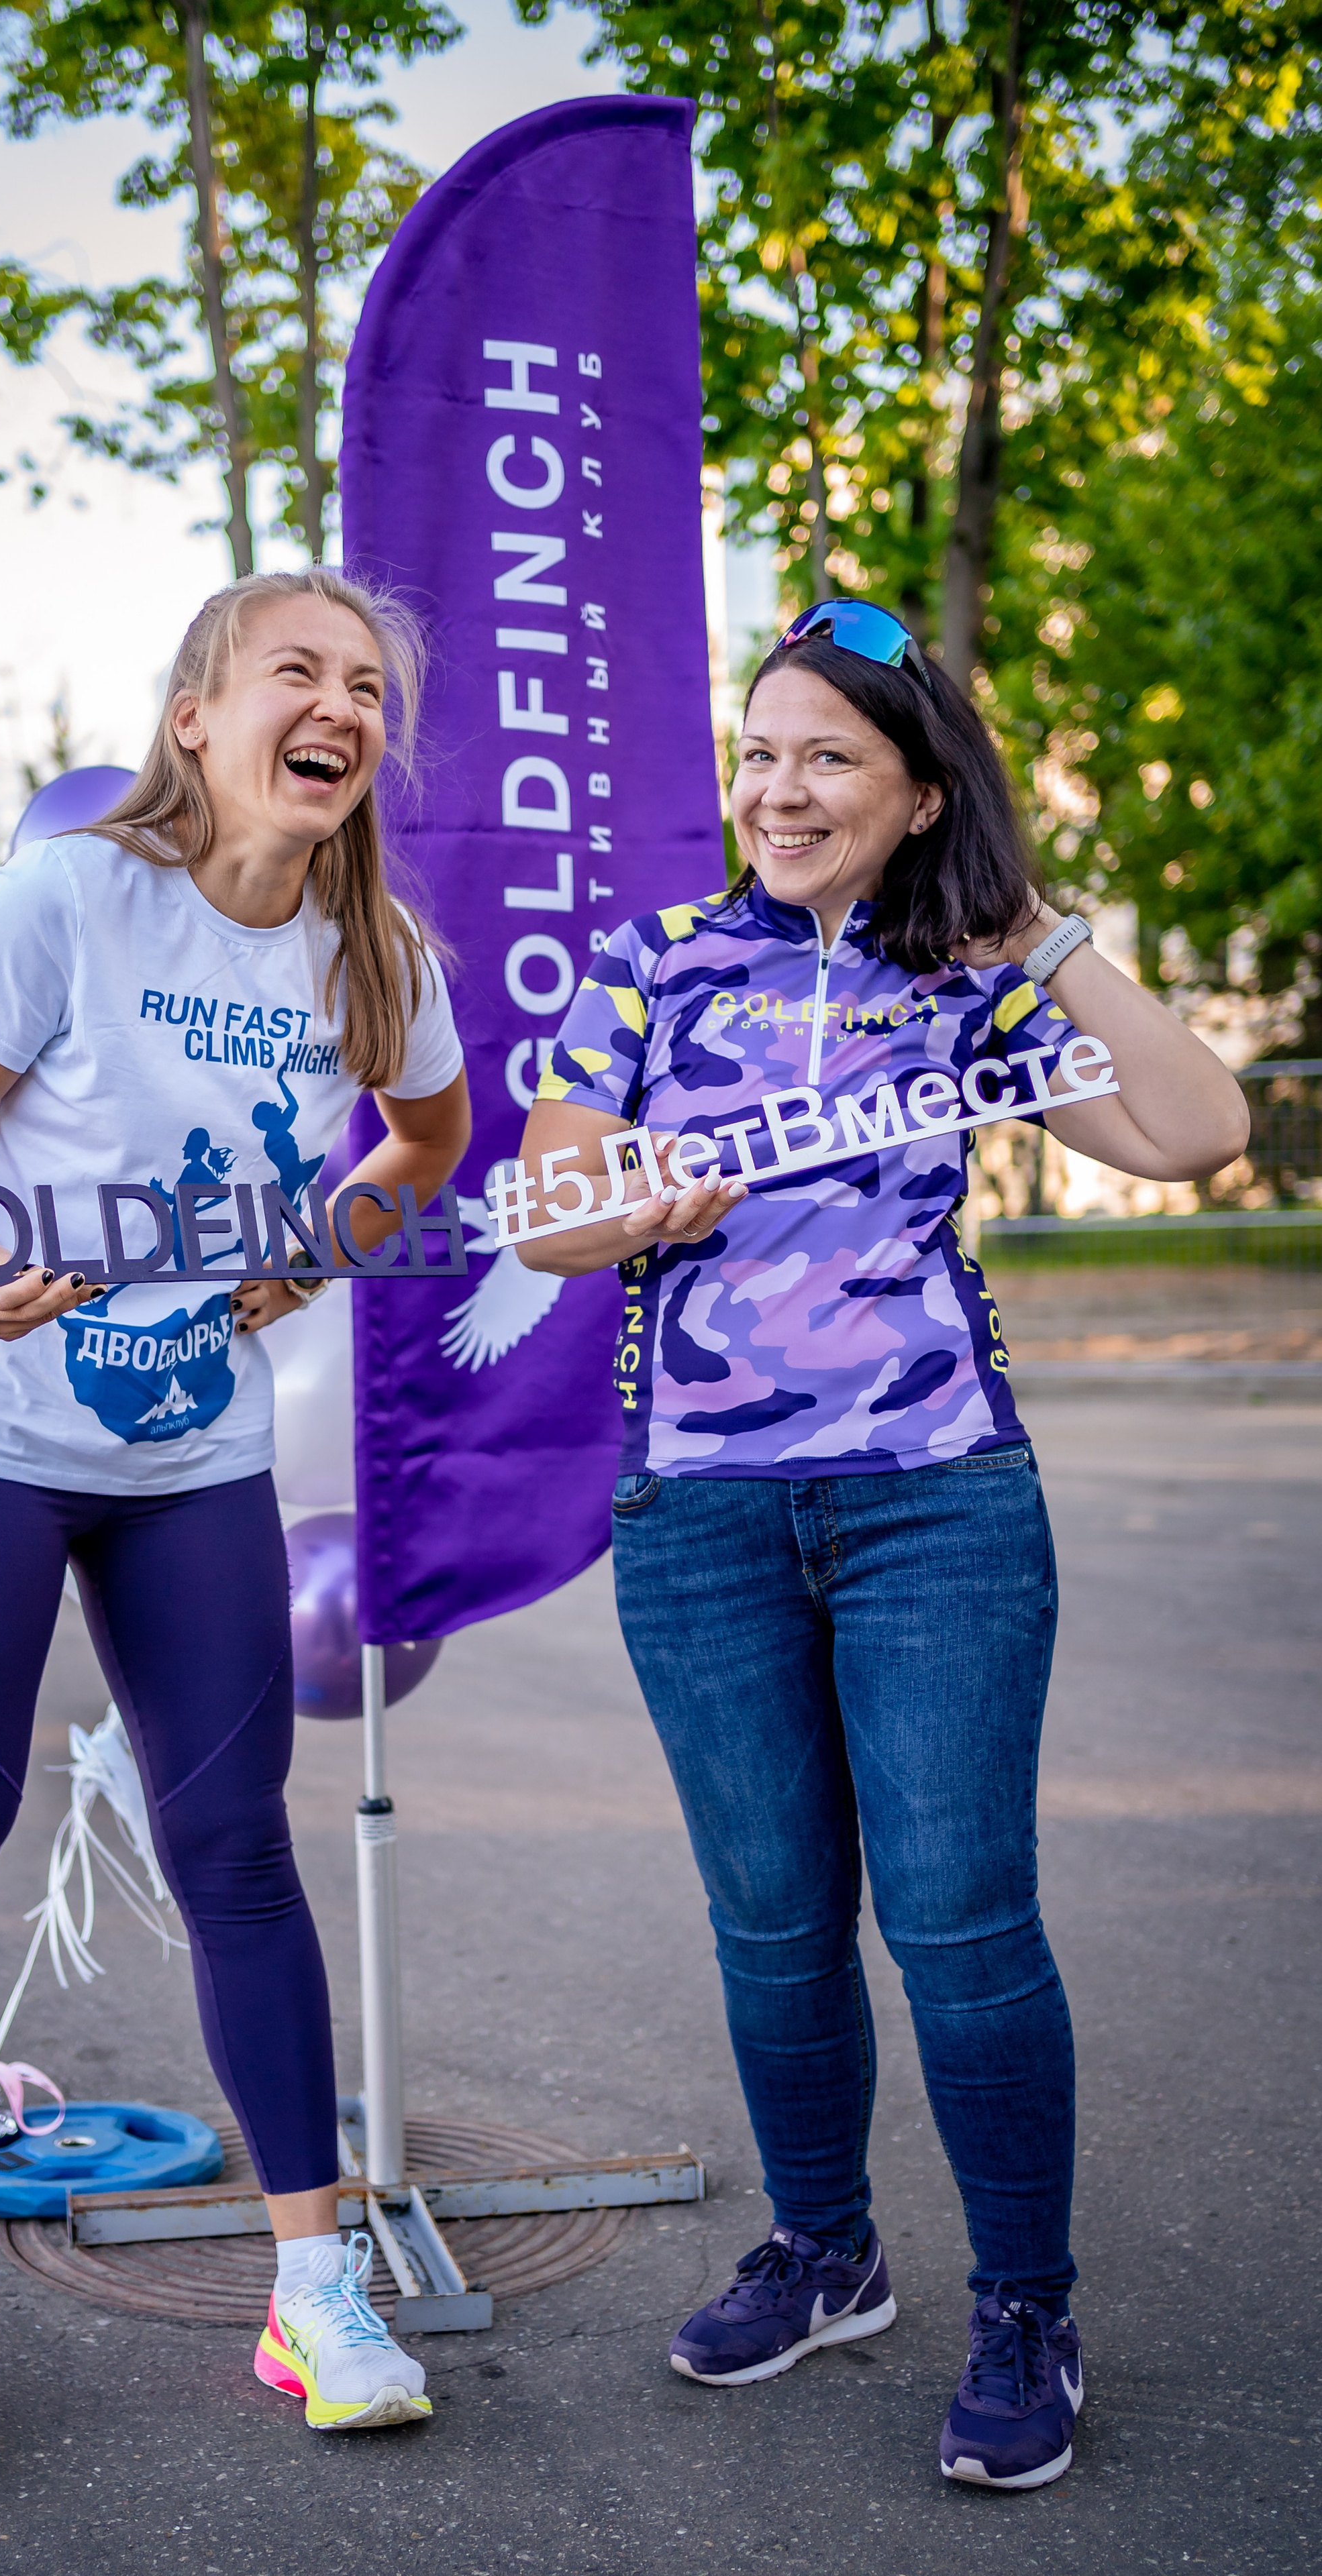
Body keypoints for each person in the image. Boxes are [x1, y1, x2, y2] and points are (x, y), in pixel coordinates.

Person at [515, 600, 1247, 2491]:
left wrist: (1041, 938)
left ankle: (1027, 2307)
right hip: (702, 1515)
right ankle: (825, 2250)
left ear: (922, 792)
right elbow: (542, 1213)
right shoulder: (656, 962)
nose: (778, 788)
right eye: (758, 753)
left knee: (959, 1927)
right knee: (771, 1926)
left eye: (826, 756)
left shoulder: (979, 987)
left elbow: (1193, 1130)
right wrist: (627, 1212)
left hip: (938, 1505)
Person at [0, 568, 470, 2480]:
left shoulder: (376, 960)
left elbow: (421, 1149)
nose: (337, 706)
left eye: (366, 686)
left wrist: (313, 1260)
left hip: (195, 1461)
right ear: (197, 714)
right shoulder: (65, 897)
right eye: (296, 672)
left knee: (237, 1859)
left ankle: (312, 2292)